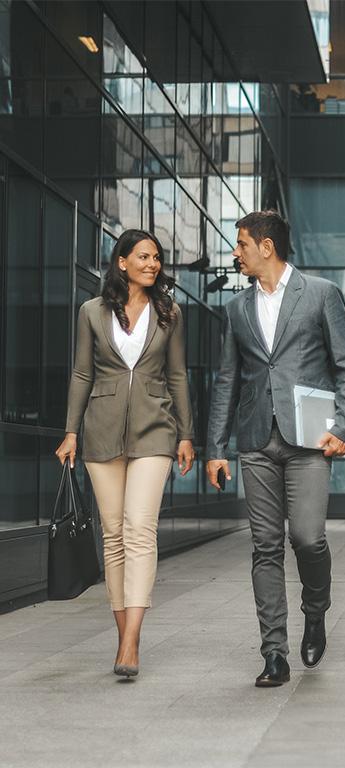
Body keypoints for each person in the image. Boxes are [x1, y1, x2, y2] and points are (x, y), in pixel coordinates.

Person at [206, 210, 345, 687]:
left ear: (266, 247)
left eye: (242, 244)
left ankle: (316, 612)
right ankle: (274, 652)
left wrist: (344, 427)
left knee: (308, 538)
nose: (237, 253)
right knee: (265, 547)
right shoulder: (236, 309)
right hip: (255, 441)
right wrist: (216, 447)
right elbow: (227, 380)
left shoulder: (320, 295)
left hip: (309, 440)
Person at [55, 229, 195, 679]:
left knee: (140, 529)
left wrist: (186, 435)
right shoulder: (92, 313)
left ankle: (132, 640)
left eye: (156, 258)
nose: (153, 264)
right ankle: (122, 636)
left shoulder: (170, 312)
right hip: (101, 432)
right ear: (121, 262)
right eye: (143, 257)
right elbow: (81, 373)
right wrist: (70, 431)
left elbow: (177, 376)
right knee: (113, 534)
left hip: (155, 432)